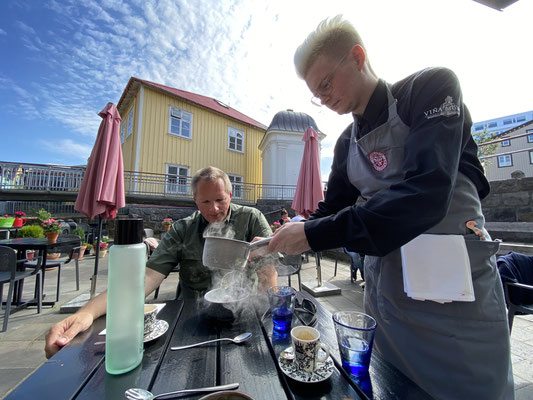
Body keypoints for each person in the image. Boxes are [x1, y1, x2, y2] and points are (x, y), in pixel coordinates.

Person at [267, 15, 513, 400]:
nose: (324, 97)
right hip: (388, 298)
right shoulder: (347, 142)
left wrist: (313, 233)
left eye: (326, 83)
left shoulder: (430, 91)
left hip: (456, 298)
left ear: (357, 57)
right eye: (316, 93)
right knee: (394, 387)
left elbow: (426, 193)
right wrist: (288, 231)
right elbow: (331, 209)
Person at [44, 166, 277, 358]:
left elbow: (268, 271)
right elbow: (146, 278)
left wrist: (269, 315)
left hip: (246, 314)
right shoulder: (183, 229)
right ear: (194, 199)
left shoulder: (251, 218)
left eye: (220, 200)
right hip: (191, 318)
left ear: (231, 195)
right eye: (205, 202)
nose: (214, 209)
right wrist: (87, 313)